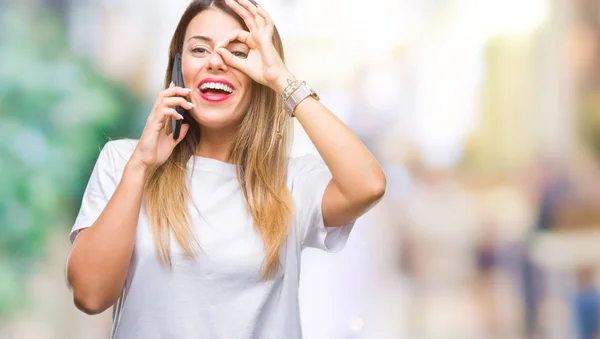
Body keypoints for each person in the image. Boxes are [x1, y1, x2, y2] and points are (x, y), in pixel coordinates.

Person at [65, 0, 386, 338]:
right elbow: (90, 295)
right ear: (178, 67)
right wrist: (141, 167)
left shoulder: (290, 182)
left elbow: (369, 185)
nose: (216, 63)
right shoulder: (125, 161)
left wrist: (282, 80)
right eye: (199, 49)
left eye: (238, 52)